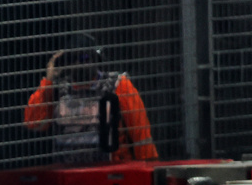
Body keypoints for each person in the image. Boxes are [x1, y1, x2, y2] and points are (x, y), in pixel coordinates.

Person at [24, 34, 158, 164]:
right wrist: (48, 80)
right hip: (69, 178)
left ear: (96, 59)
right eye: (74, 58)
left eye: (85, 57)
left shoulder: (117, 86)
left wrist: (148, 172)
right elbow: (33, 123)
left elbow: (141, 136)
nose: (80, 63)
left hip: (110, 175)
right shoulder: (57, 90)